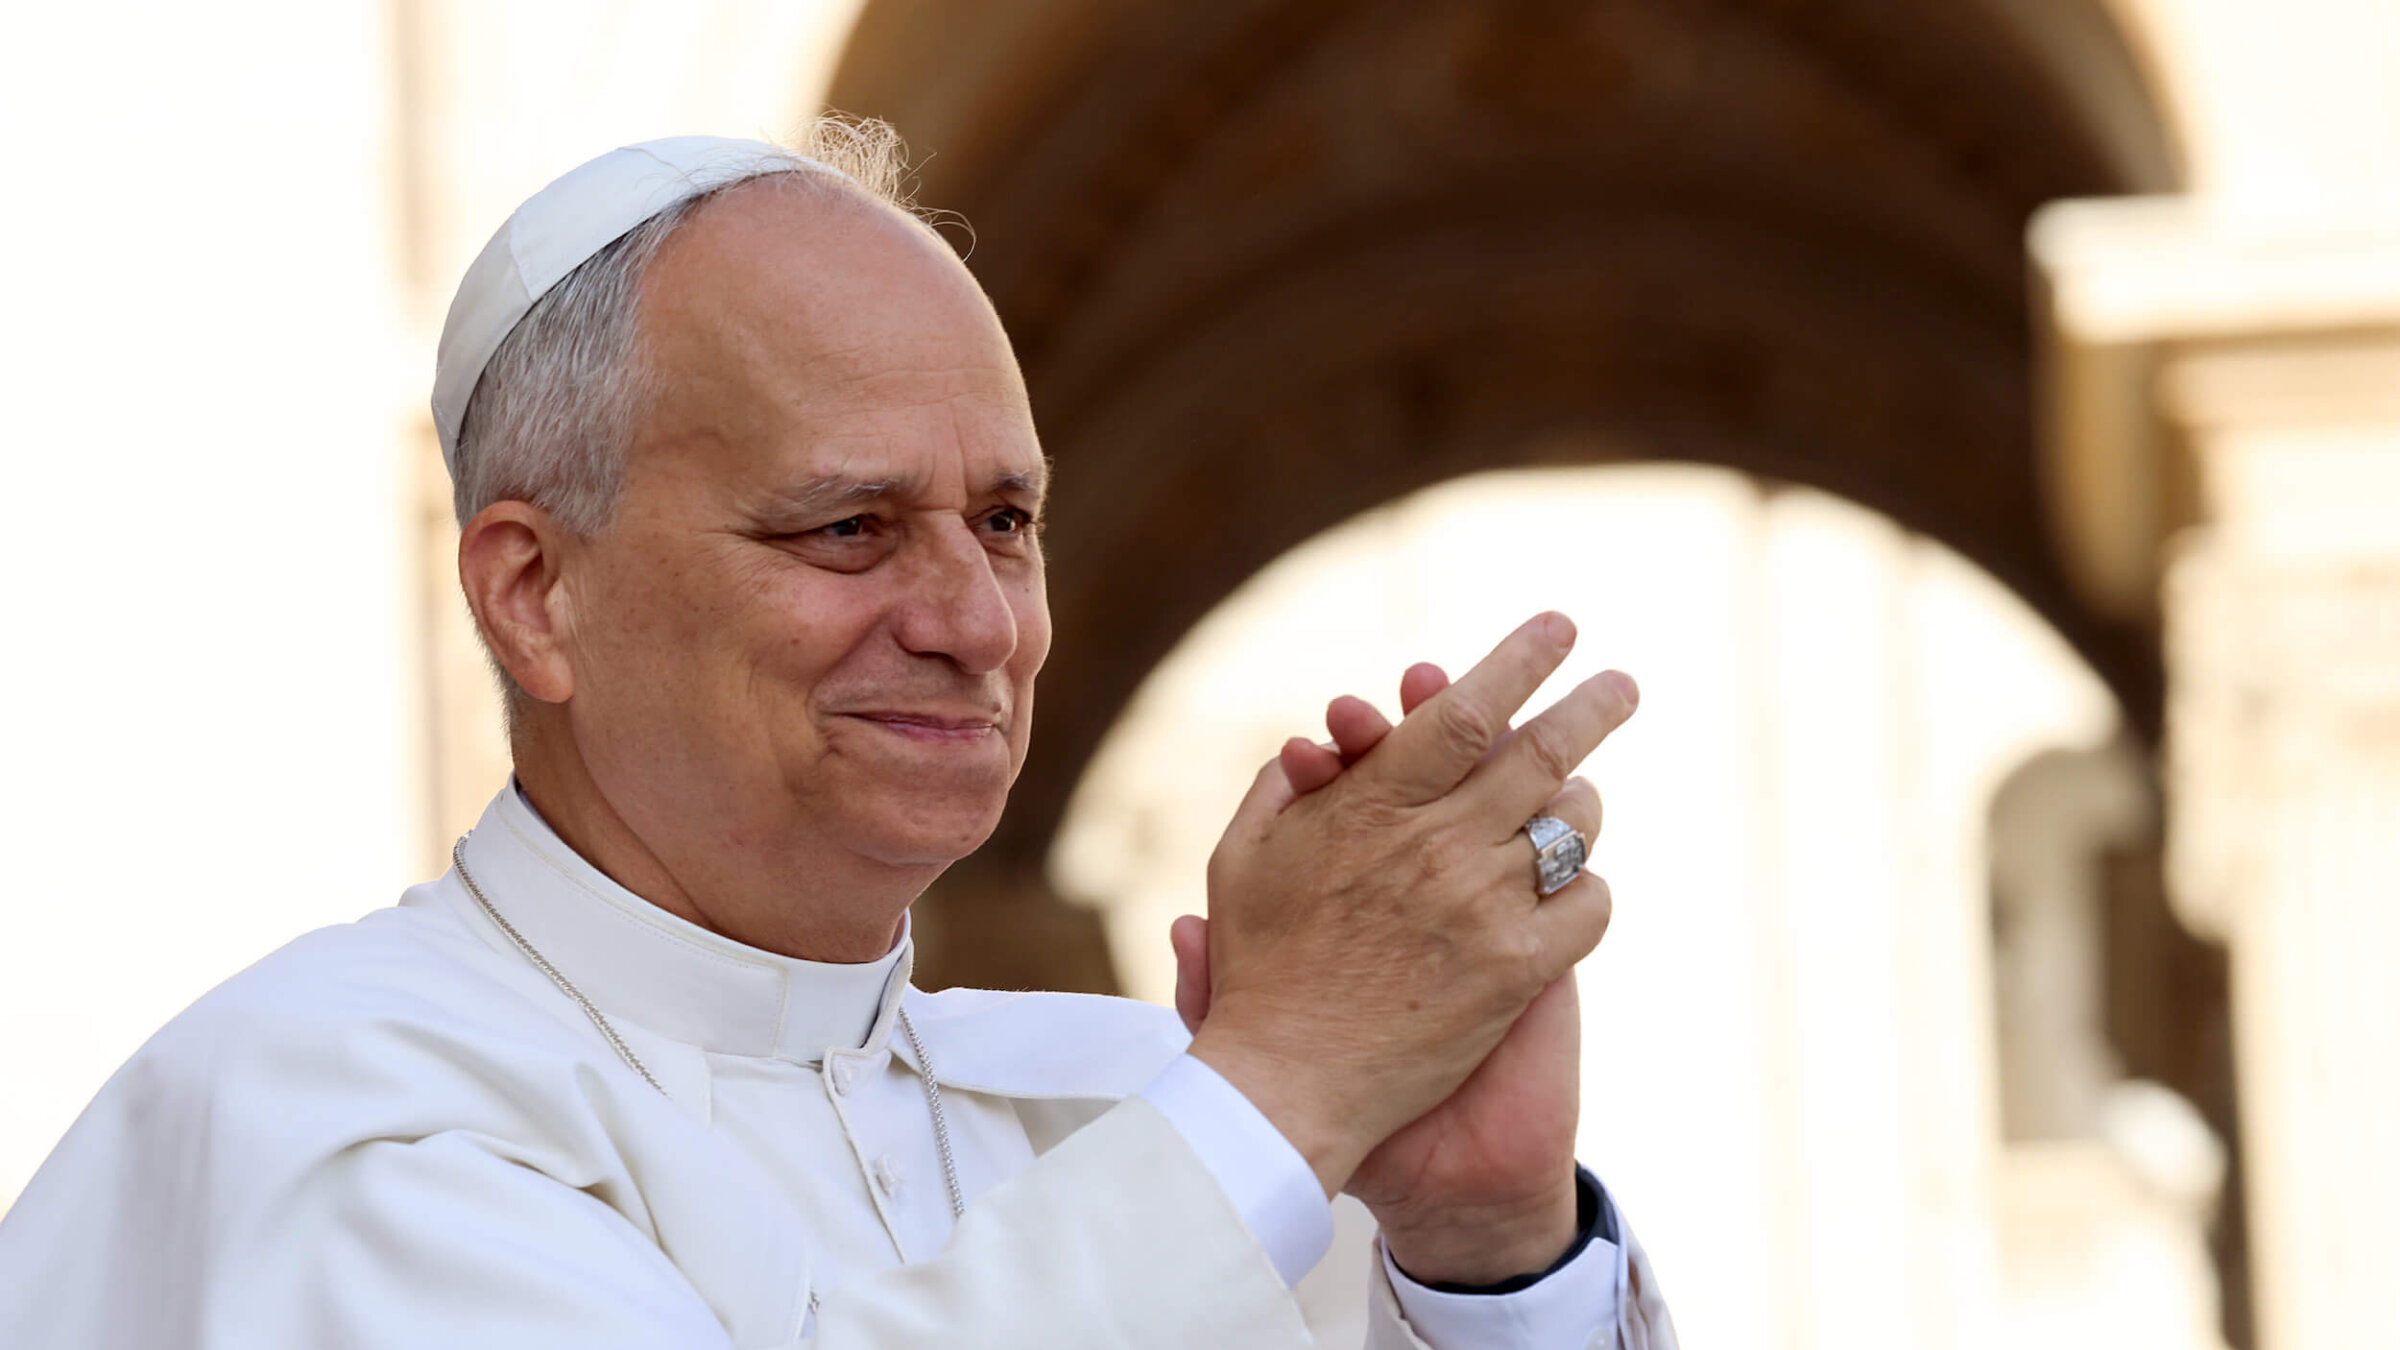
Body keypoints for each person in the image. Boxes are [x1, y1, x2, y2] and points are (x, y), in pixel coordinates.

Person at [0, 122, 1674, 1348]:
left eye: (1005, 520)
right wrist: (1293, 1077)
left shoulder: (1125, 1108)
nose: (974, 621)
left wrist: (1489, 1251)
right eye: (849, 530)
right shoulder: (316, 1119)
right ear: (535, 593)